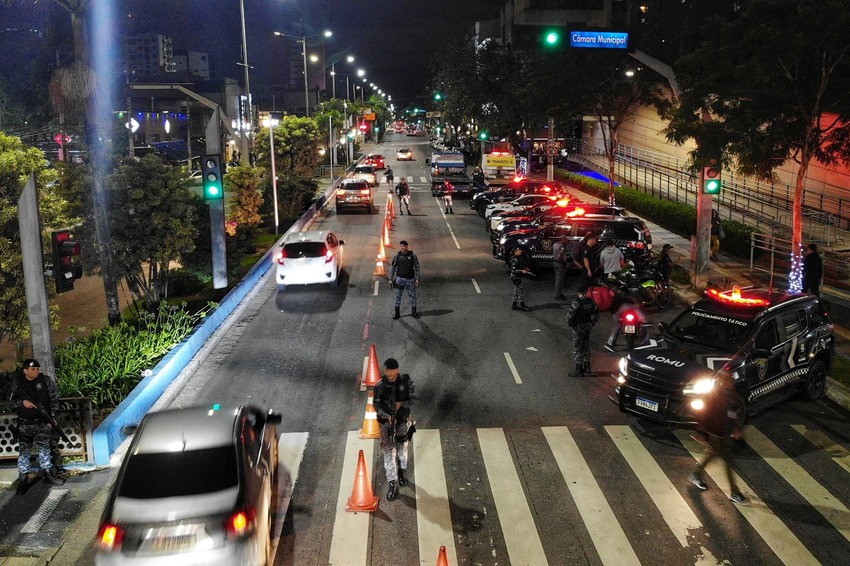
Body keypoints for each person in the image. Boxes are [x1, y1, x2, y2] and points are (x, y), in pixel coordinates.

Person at [688, 373, 747, 505]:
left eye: (731, 380)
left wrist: (734, 429)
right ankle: (735, 492)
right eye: (728, 380)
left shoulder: (724, 395)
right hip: (718, 433)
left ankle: (696, 474)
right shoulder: (719, 396)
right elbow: (708, 414)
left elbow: (730, 415)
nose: (732, 382)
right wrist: (734, 430)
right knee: (728, 462)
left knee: (712, 453)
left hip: (720, 432)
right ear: (722, 382)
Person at [8, 359, 66, 493]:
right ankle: (23, 478)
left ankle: (48, 473)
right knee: (24, 452)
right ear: (25, 371)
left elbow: (53, 399)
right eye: (33, 369)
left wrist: (52, 418)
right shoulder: (18, 384)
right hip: (25, 423)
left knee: (45, 448)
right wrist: (22, 403)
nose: (36, 371)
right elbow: (8, 403)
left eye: (37, 369)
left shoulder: (45, 381)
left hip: (42, 422)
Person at [374, 358, 416, 501]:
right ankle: (392, 483)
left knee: (402, 449)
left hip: (402, 422)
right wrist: (387, 416)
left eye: (391, 370)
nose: (388, 373)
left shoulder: (406, 384)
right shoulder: (380, 386)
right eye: (386, 370)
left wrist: (401, 403)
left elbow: (413, 399)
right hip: (387, 424)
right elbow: (376, 406)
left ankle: (402, 472)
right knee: (388, 453)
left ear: (397, 370)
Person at [566, 284, 599, 377]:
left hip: (578, 327)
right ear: (586, 292)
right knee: (586, 345)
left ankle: (578, 369)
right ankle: (587, 367)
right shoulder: (591, 301)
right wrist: (592, 324)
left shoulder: (576, 302)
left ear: (578, 293)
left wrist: (571, 324)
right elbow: (596, 314)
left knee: (577, 348)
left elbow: (570, 315)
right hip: (588, 326)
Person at [390, 240, 421, 319]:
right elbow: (393, 268)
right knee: (398, 296)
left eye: (403, 246)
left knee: (412, 296)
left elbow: (417, 267)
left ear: (407, 246)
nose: (402, 247)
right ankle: (397, 313)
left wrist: (417, 278)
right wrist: (390, 278)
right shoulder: (396, 256)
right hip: (400, 279)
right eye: (401, 246)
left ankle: (414, 312)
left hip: (410, 279)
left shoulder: (413, 256)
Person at [509, 247, 534, 311]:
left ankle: (514, 305)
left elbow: (519, 266)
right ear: (515, 251)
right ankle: (522, 305)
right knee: (520, 291)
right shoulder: (515, 259)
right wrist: (521, 271)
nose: (521, 251)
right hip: (515, 277)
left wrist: (524, 269)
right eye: (519, 250)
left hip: (516, 277)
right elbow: (513, 270)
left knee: (516, 291)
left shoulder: (518, 258)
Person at [552, 235, 570, 300]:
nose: (567, 241)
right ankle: (558, 295)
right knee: (560, 280)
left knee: (557, 279)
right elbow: (560, 256)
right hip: (560, 264)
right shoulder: (562, 246)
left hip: (555, 263)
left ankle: (558, 293)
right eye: (566, 239)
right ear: (563, 239)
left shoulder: (555, 244)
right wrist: (564, 262)